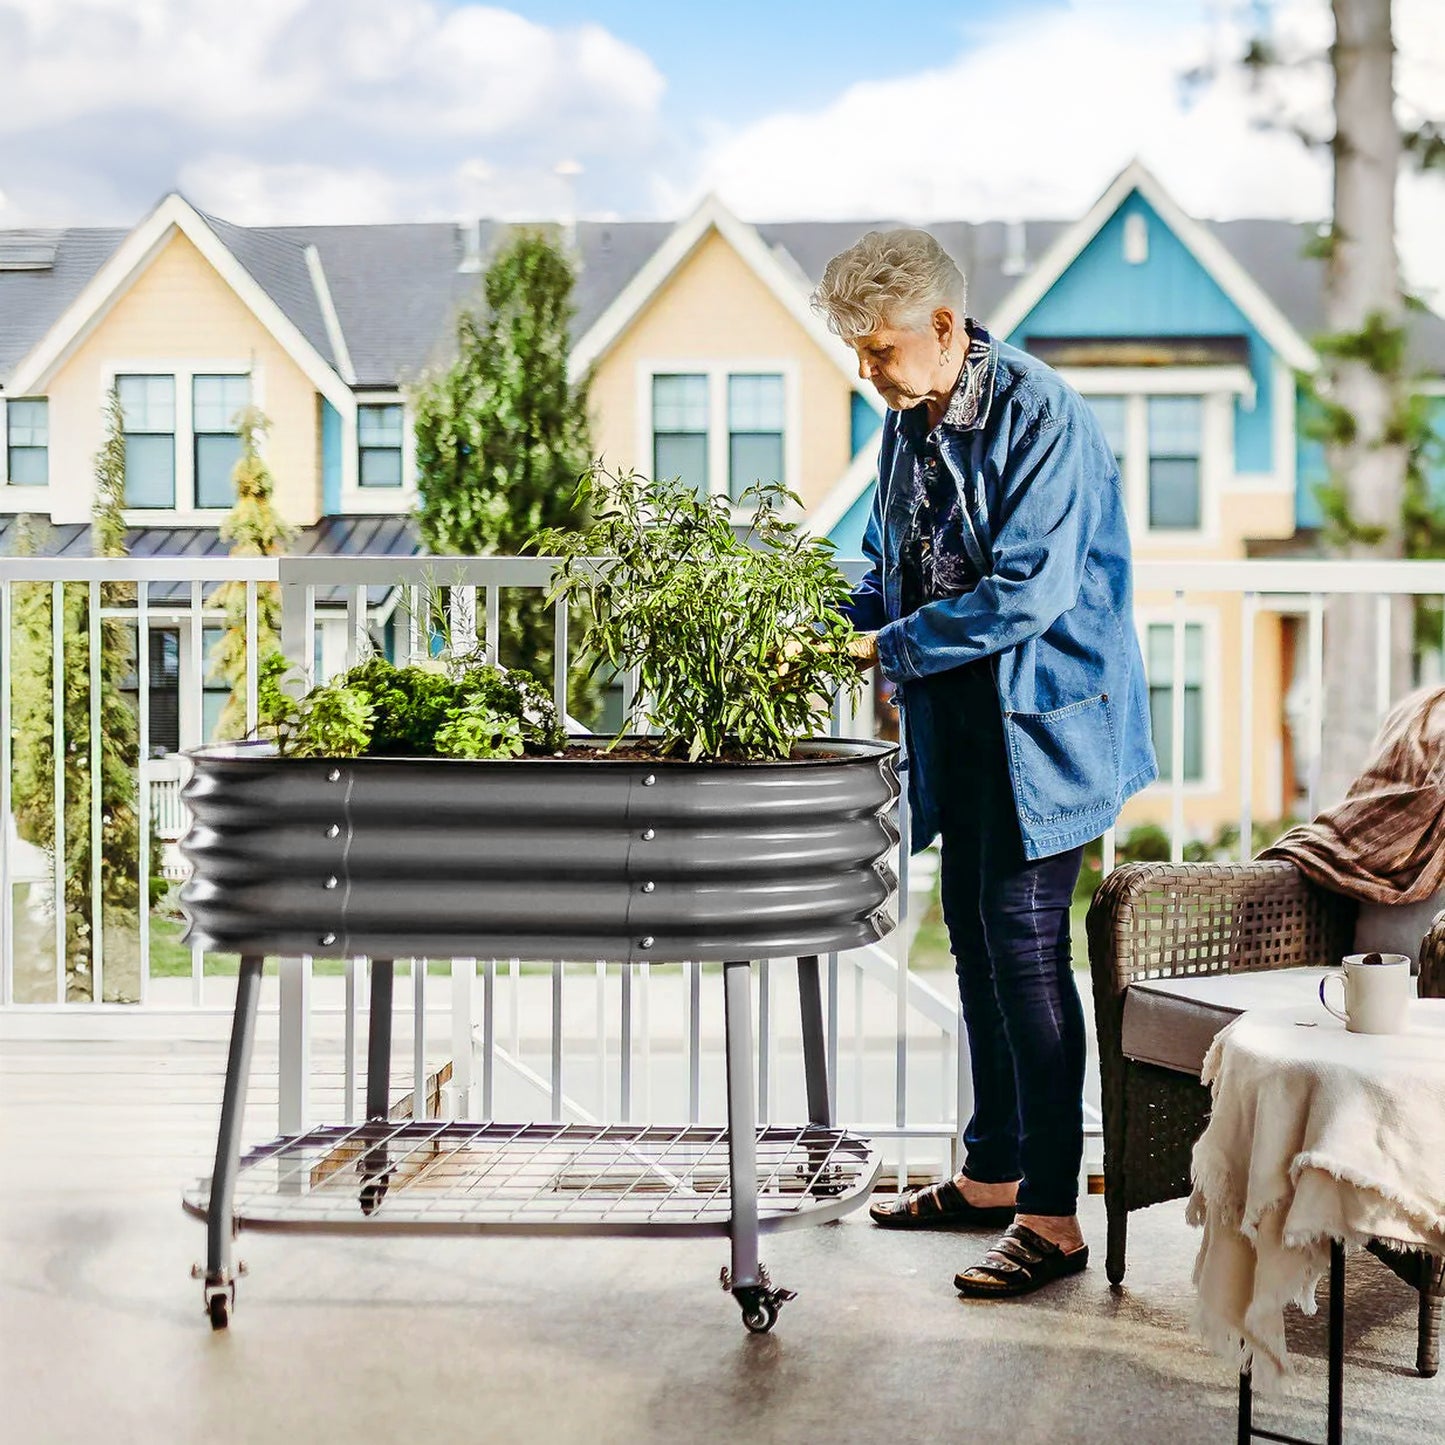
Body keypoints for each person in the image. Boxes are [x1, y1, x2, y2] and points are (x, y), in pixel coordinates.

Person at [812, 229, 1157, 1298]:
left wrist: (884, 645)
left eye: (876, 350)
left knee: (1023, 955)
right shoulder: (905, 420)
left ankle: (1052, 1218)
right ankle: (992, 1173)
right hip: (959, 723)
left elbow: (1026, 595)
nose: (864, 372)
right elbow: (887, 563)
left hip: (1044, 727)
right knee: (969, 941)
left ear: (944, 328)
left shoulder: (1038, 411)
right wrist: (818, 612)